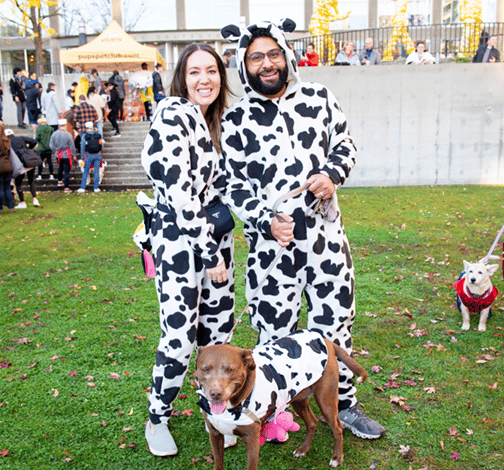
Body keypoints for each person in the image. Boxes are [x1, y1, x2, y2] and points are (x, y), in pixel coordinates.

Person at [220, 19, 385, 440]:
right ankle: (276, 412)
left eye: (274, 53)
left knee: (335, 326)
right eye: (256, 56)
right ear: (244, 64)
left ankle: (343, 404)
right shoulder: (235, 120)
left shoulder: (319, 97)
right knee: (276, 332)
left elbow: (344, 144)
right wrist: (264, 220)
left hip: (326, 241)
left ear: (287, 56)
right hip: (272, 249)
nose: (267, 63)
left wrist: (332, 174)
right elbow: (232, 184)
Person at [139, 42, 235, 457]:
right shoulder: (173, 114)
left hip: (215, 238)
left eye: (211, 71)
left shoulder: (216, 122)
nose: (204, 79)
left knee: (217, 339)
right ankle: (156, 418)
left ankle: (215, 411)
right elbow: (179, 194)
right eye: (194, 71)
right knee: (178, 339)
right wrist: (210, 254)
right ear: (182, 77)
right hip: (181, 243)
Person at [6, 128, 40, 208]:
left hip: (18, 164)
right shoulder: (20, 138)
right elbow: (34, 141)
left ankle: (22, 202)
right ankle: (35, 199)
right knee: (31, 181)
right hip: (28, 161)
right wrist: (28, 149)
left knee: (18, 184)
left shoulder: (7, 142)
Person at [50, 119, 76, 194]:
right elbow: (72, 146)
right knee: (66, 171)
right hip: (66, 154)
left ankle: (59, 181)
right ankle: (66, 187)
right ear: (65, 125)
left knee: (60, 167)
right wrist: (74, 155)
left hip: (58, 154)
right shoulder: (68, 135)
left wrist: (55, 151)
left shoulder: (54, 134)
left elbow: (51, 145)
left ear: (58, 125)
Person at [77, 121, 102, 194]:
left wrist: (82, 157)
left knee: (86, 171)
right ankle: (96, 187)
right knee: (96, 171)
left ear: (86, 128)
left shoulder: (84, 136)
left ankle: (82, 187)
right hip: (97, 155)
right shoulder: (98, 135)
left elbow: (82, 147)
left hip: (89, 155)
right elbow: (101, 145)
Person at [0, 123, 15, 214]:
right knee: (7, 188)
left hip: (1, 166)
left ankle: (0, 208)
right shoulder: (6, 140)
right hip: (8, 165)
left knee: (1, 188)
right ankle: (11, 207)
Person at [35, 115, 54, 181]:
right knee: (49, 161)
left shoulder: (38, 128)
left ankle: (39, 175)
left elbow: (37, 138)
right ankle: (51, 174)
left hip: (41, 148)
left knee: (40, 162)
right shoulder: (50, 128)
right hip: (49, 147)